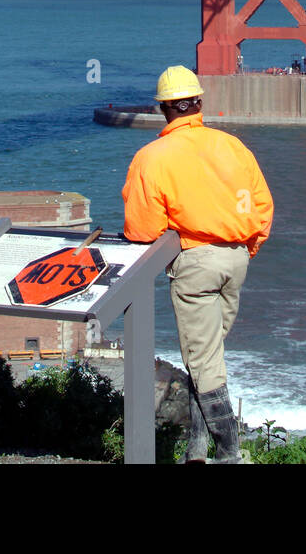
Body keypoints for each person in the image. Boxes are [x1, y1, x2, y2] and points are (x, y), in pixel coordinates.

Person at [121, 64, 274, 464]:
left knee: (202, 359)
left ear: (163, 110)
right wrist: (245, 248)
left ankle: (229, 452)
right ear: (200, 104)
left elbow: (142, 229)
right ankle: (197, 450)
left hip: (196, 265)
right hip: (236, 260)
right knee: (207, 357)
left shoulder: (152, 157)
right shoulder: (233, 146)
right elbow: (262, 206)